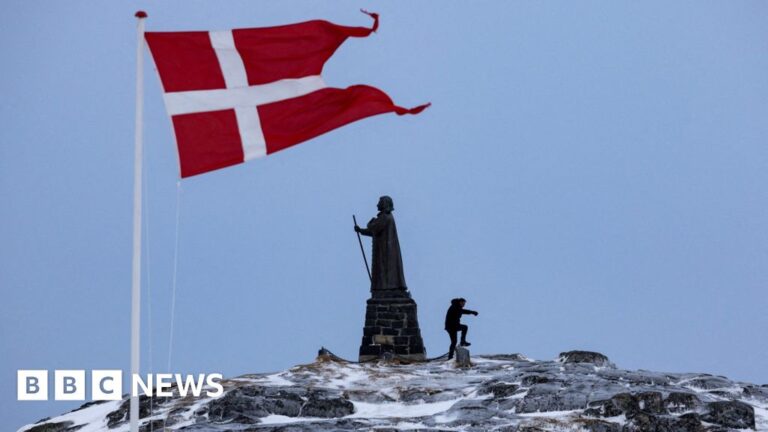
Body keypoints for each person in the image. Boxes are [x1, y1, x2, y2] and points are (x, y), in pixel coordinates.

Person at [354, 196, 407, 292]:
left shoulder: (385, 217)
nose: (377, 205)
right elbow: (374, 231)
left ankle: (388, 288)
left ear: (384, 204)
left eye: (379, 202)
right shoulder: (386, 217)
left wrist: (369, 224)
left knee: (386, 270)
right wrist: (361, 230)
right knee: (384, 271)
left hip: (386, 251)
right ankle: (385, 288)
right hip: (384, 250)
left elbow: (373, 228)